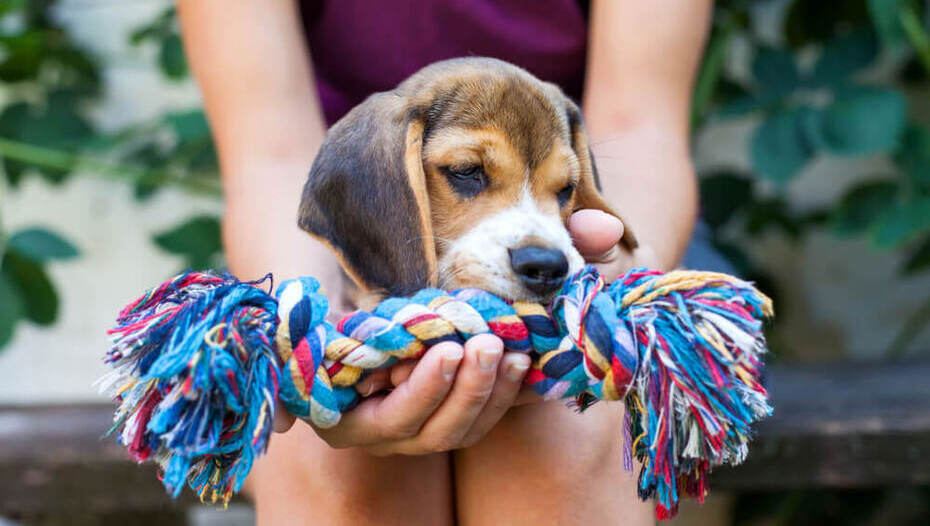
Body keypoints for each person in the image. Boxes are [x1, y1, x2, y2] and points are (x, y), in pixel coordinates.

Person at [177, 1, 713, 524]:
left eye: (563, 184)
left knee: (570, 440)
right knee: (335, 461)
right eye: (467, 172)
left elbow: (641, 128)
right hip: (349, 216)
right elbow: (268, 156)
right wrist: (319, 340)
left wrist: (607, 300)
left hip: (608, 236)